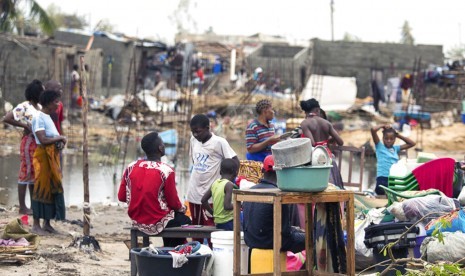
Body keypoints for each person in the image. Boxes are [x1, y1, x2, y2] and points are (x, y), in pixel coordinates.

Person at [118, 132, 191, 247]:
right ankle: (170, 250)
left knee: (172, 217)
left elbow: (121, 197)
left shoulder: (131, 167)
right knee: (185, 220)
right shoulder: (166, 170)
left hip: (137, 220)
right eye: (162, 143)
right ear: (160, 148)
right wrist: (183, 208)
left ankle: (166, 249)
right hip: (156, 221)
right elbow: (174, 203)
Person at [242, 155, 305, 253]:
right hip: (270, 242)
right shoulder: (278, 195)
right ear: (281, 172)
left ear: (262, 171)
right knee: (310, 238)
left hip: (251, 241)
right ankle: (310, 267)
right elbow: (284, 233)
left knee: (297, 232)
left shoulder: (250, 191)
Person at [187, 114, 239, 232]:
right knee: (195, 230)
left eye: (198, 132)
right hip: (194, 192)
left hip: (211, 195)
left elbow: (234, 161)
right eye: (193, 132)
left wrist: (227, 184)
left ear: (207, 128)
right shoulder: (193, 140)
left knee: (212, 230)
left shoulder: (219, 142)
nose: (195, 135)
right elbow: (195, 162)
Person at [2, 80, 44, 215]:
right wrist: (25, 126)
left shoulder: (39, 107)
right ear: (35, 93)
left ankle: (32, 205)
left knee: (33, 173)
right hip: (28, 143)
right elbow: (7, 118)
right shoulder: (24, 106)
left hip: (37, 143)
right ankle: (22, 207)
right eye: (41, 92)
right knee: (25, 172)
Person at [31, 90, 67, 235]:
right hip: (43, 158)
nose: (58, 104)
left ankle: (47, 223)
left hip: (52, 157)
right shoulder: (38, 117)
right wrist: (60, 138)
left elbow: (53, 137)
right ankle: (35, 225)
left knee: (52, 188)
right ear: (48, 102)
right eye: (56, 101)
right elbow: (44, 139)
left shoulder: (48, 117)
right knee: (41, 188)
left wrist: (59, 140)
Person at [371, 124, 416, 195]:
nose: (389, 141)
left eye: (392, 139)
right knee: (385, 194)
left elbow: (412, 143)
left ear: (395, 139)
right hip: (382, 180)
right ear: (383, 138)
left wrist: (397, 135)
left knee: (395, 195)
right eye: (386, 138)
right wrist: (383, 125)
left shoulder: (395, 148)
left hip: (393, 179)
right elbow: (373, 130)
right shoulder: (379, 146)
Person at [201, 158, 238, 231]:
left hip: (218, 222)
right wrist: (240, 204)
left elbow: (203, 200)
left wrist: (213, 213)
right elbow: (227, 206)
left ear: (220, 172)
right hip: (228, 221)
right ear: (235, 173)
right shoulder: (229, 185)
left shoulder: (215, 183)